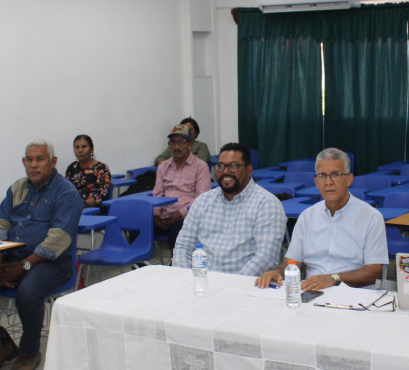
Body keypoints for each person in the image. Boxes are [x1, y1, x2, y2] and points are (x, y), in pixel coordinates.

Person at [0, 139, 83, 370]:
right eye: (29, 160)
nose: (33, 165)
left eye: (40, 159)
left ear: (53, 161)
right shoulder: (17, 188)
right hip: (12, 259)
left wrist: (22, 268)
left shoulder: (66, 193)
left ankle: (30, 352)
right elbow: (0, 223)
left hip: (52, 264)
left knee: (28, 291)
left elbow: (57, 239)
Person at [256, 148, 387, 290]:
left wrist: (334, 278)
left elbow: (373, 273)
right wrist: (277, 272)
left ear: (349, 179)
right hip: (312, 291)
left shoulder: (371, 218)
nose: (328, 182)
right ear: (316, 182)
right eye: (322, 176)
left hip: (354, 294)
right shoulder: (307, 217)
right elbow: (292, 262)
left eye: (336, 174)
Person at [173, 142, 285, 278]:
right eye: (221, 166)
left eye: (233, 166)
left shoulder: (266, 204)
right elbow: (183, 246)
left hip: (244, 284)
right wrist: (186, 278)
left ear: (249, 170)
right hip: (200, 282)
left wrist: (232, 284)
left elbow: (267, 257)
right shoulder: (203, 201)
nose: (225, 171)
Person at [153, 123, 211, 249]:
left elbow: (201, 199)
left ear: (190, 144)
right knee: (137, 226)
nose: (177, 146)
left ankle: (177, 260)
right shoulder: (163, 167)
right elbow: (157, 194)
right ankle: (140, 261)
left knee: (177, 235)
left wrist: (179, 214)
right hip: (163, 215)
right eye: (173, 142)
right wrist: (155, 215)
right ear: (169, 145)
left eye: (182, 142)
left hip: (186, 216)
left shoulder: (200, 167)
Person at [64, 134, 111, 209]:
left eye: (84, 147)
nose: (80, 150)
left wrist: (78, 206)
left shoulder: (101, 168)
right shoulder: (72, 167)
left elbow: (100, 196)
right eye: (77, 147)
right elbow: (65, 189)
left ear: (92, 149)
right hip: (71, 206)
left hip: (91, 209)